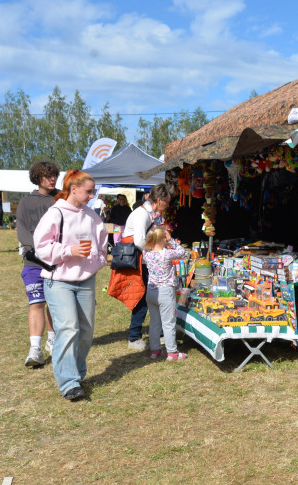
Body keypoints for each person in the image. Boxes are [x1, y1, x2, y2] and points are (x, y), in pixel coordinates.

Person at [32, 170, 106, 401]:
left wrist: (97, 261)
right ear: (73, 189)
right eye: (88, 191)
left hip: (85, 280)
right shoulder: (56, 213)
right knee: (68, 328)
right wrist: (68, 251)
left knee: (85, 331)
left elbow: (102, 244)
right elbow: (41, 247)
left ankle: (76, 373)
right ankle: (69, 383)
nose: (92, 196)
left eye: (93, 192)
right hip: (59, 281)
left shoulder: (91, 215)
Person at [108, 183, 176, 350]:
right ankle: (134, 337)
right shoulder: (142, 215)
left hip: (143, 260)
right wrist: (156, 255)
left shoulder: (149, 214)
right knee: (142, 297)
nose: (168, 205)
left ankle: (159, 333)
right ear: (159, 200)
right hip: (138, 261)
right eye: (167, 202)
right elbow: (139, 241)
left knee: (151, 296)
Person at [16, 161, 60, 367]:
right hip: (33, 261)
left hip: (58, 259)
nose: (52, 179)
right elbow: (22, 228)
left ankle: (53, 340)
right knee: (37, 302)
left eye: (54, 175)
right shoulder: (26, 202)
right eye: (47, 176)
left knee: (55, 302)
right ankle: (35, 349)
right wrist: (35, 250)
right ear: (37, 178)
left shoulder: (62, 199)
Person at [141, 226, 188, 361]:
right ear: (163, 239)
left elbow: (146, 247)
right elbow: (182, 251)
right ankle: (172, 352)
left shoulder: (147, 254)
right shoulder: (166, 253)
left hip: (151, 291)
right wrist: (171, 240)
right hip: (165, 292)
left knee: (154, 322)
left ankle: (155, 350)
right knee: (168, 323)